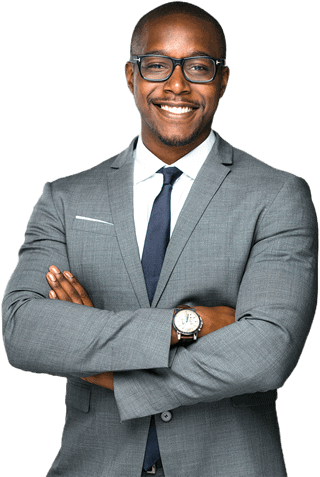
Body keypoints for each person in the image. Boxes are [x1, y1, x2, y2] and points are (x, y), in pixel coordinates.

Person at [2, 2, 318, 476]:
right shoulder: (66, 198)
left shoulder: (278, 196)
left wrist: (101, 366)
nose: (176, 84)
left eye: (198, 67)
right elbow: (23, 330)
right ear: (130, 76)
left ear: (224, 80)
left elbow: (266, 352)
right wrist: (186, 323)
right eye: (156, 65)